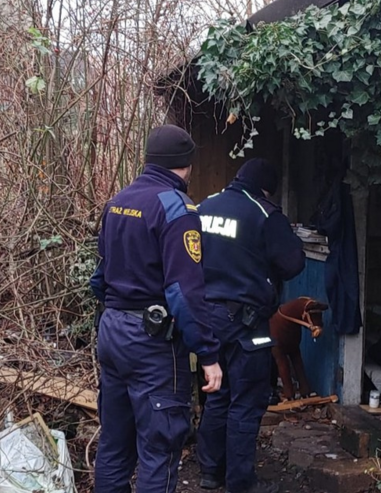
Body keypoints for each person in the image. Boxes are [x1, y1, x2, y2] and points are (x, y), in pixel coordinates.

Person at [90, 124, 223, 493]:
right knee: (159, 450)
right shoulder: (177, 208)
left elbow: (99, 277)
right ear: (187, 165)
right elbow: (185, 292)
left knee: (114, 446)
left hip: (112, 330)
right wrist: (208, 353)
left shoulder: (117, 201)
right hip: (152, 344)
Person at [196, 158, 305, 493]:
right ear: (266, 187)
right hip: (246, 323)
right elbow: (293, 264)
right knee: (246, 400)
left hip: (206, 316)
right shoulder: (264, 213)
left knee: (218, 395)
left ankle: (210, 473)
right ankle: (240, 483)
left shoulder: (204, 207)